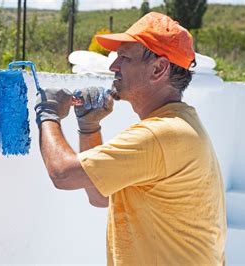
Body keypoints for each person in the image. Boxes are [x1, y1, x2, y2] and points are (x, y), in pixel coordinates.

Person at [34, 12, 226, 265]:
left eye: (124, 57)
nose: (113, 66)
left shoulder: (162, 135)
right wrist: (89, 127)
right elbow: (101, 197)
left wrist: (48, 113)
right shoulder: (178, 126)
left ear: (158, 68)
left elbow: (63, 174)